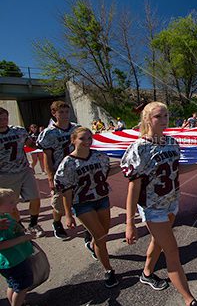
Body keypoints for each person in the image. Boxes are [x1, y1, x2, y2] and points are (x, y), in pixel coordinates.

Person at [121, 102, 197, 306]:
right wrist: (129, 222)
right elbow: (133, 188)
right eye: (158, 117)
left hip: (171, 202)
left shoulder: (171, 142)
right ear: (147, 120)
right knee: (172, 251)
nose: (163, 120)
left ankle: (146, 273)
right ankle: (189, 300)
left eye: (166, 116)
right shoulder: (139, 148)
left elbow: (174, 169)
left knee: (158, 241)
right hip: (153, 208)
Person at [55, 127, 121, 288]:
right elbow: (66, 190)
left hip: (102, 199)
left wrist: (126, 165)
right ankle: (108, 270)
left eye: (89, 138)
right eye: (82, 139)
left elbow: (105, 172)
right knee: (101, 238)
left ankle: (92, 246)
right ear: (73, 140)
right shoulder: (68, 163)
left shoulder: (99, 156)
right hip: (83, 203)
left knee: (102, 235)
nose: (86, 142)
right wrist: (68, 214)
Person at [37, 101, 79, 240]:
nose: (65, 115)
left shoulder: (76, 128)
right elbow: (47, 157)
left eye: (67, 112)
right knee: (60, 203)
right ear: (54, 113)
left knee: (81, 198)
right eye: (61, 112)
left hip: (77, 169)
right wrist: (50, 177)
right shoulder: (49, 133)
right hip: (60, 171)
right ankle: (56, 222)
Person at [0, 108, 44, 237]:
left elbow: (32, 144)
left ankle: (33, 224)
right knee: (11, 204)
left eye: (5, 118)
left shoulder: (18, 131)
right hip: (5, 174)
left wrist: (45, 144)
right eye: (0, 119)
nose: (3, 121)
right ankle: (19, 226)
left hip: (24, 170)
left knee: (35, 197)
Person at [0, 188, 36, 306]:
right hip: (12, 260)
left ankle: (15, 303)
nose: (15, 204)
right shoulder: (2, 223)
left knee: (13, 284)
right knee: (21, 285)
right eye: (10, 202)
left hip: (14, 258)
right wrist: (23, 238)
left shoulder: (5, 216)